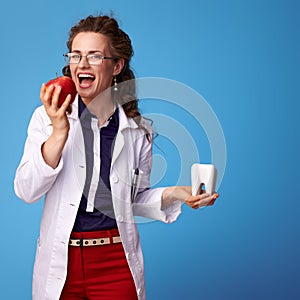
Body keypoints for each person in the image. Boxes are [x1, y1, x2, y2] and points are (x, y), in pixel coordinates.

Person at [14, 14, 219, 300]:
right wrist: (59, 133)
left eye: (94, 56)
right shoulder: (46, 118)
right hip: (60, 260)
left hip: (115, 261)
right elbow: (26, 190)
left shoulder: (139, 131)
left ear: (117, 66)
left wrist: (177, 193)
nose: (82, 64)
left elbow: (132, 200)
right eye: (76, 55)